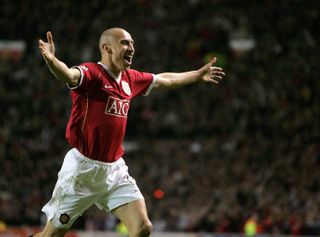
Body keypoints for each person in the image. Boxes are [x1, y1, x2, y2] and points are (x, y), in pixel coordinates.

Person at [33, 28, 225, 237]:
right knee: (50, 236)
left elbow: (164, 79)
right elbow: (68, 74)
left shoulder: (130, 79)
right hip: (82, 171)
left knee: (143, 228)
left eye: (132, 43)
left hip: (114, 170)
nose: (131, 48)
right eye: (125, 43)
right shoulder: (92, 74)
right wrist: (52, 61)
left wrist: (196, 75)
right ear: (107, 48)